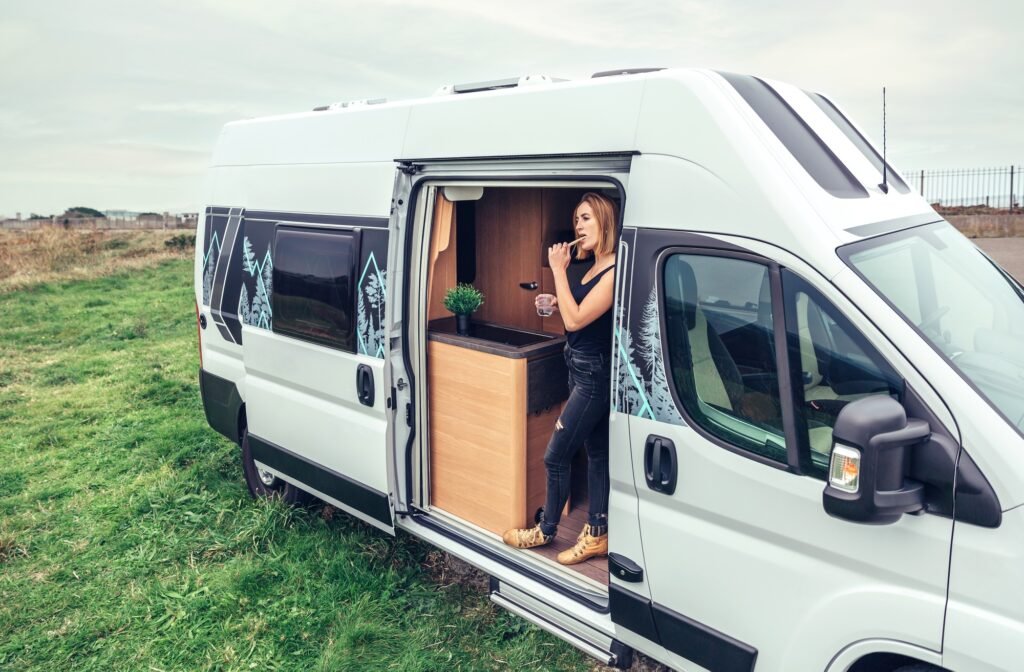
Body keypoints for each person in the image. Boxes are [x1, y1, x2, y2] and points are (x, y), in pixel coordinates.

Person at [502, 192, 618, 565]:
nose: (578, 227)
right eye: (576, 220)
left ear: (605, 221)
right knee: (597, 452)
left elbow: (576, 320)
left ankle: (546, 528)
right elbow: (572, 312)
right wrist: (551, 301)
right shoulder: (587, 266)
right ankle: (598, 533)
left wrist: (555, 269)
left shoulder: (614, 269)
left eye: (586, 218)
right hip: (579, 364)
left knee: (556, 455)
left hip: (595, 373)